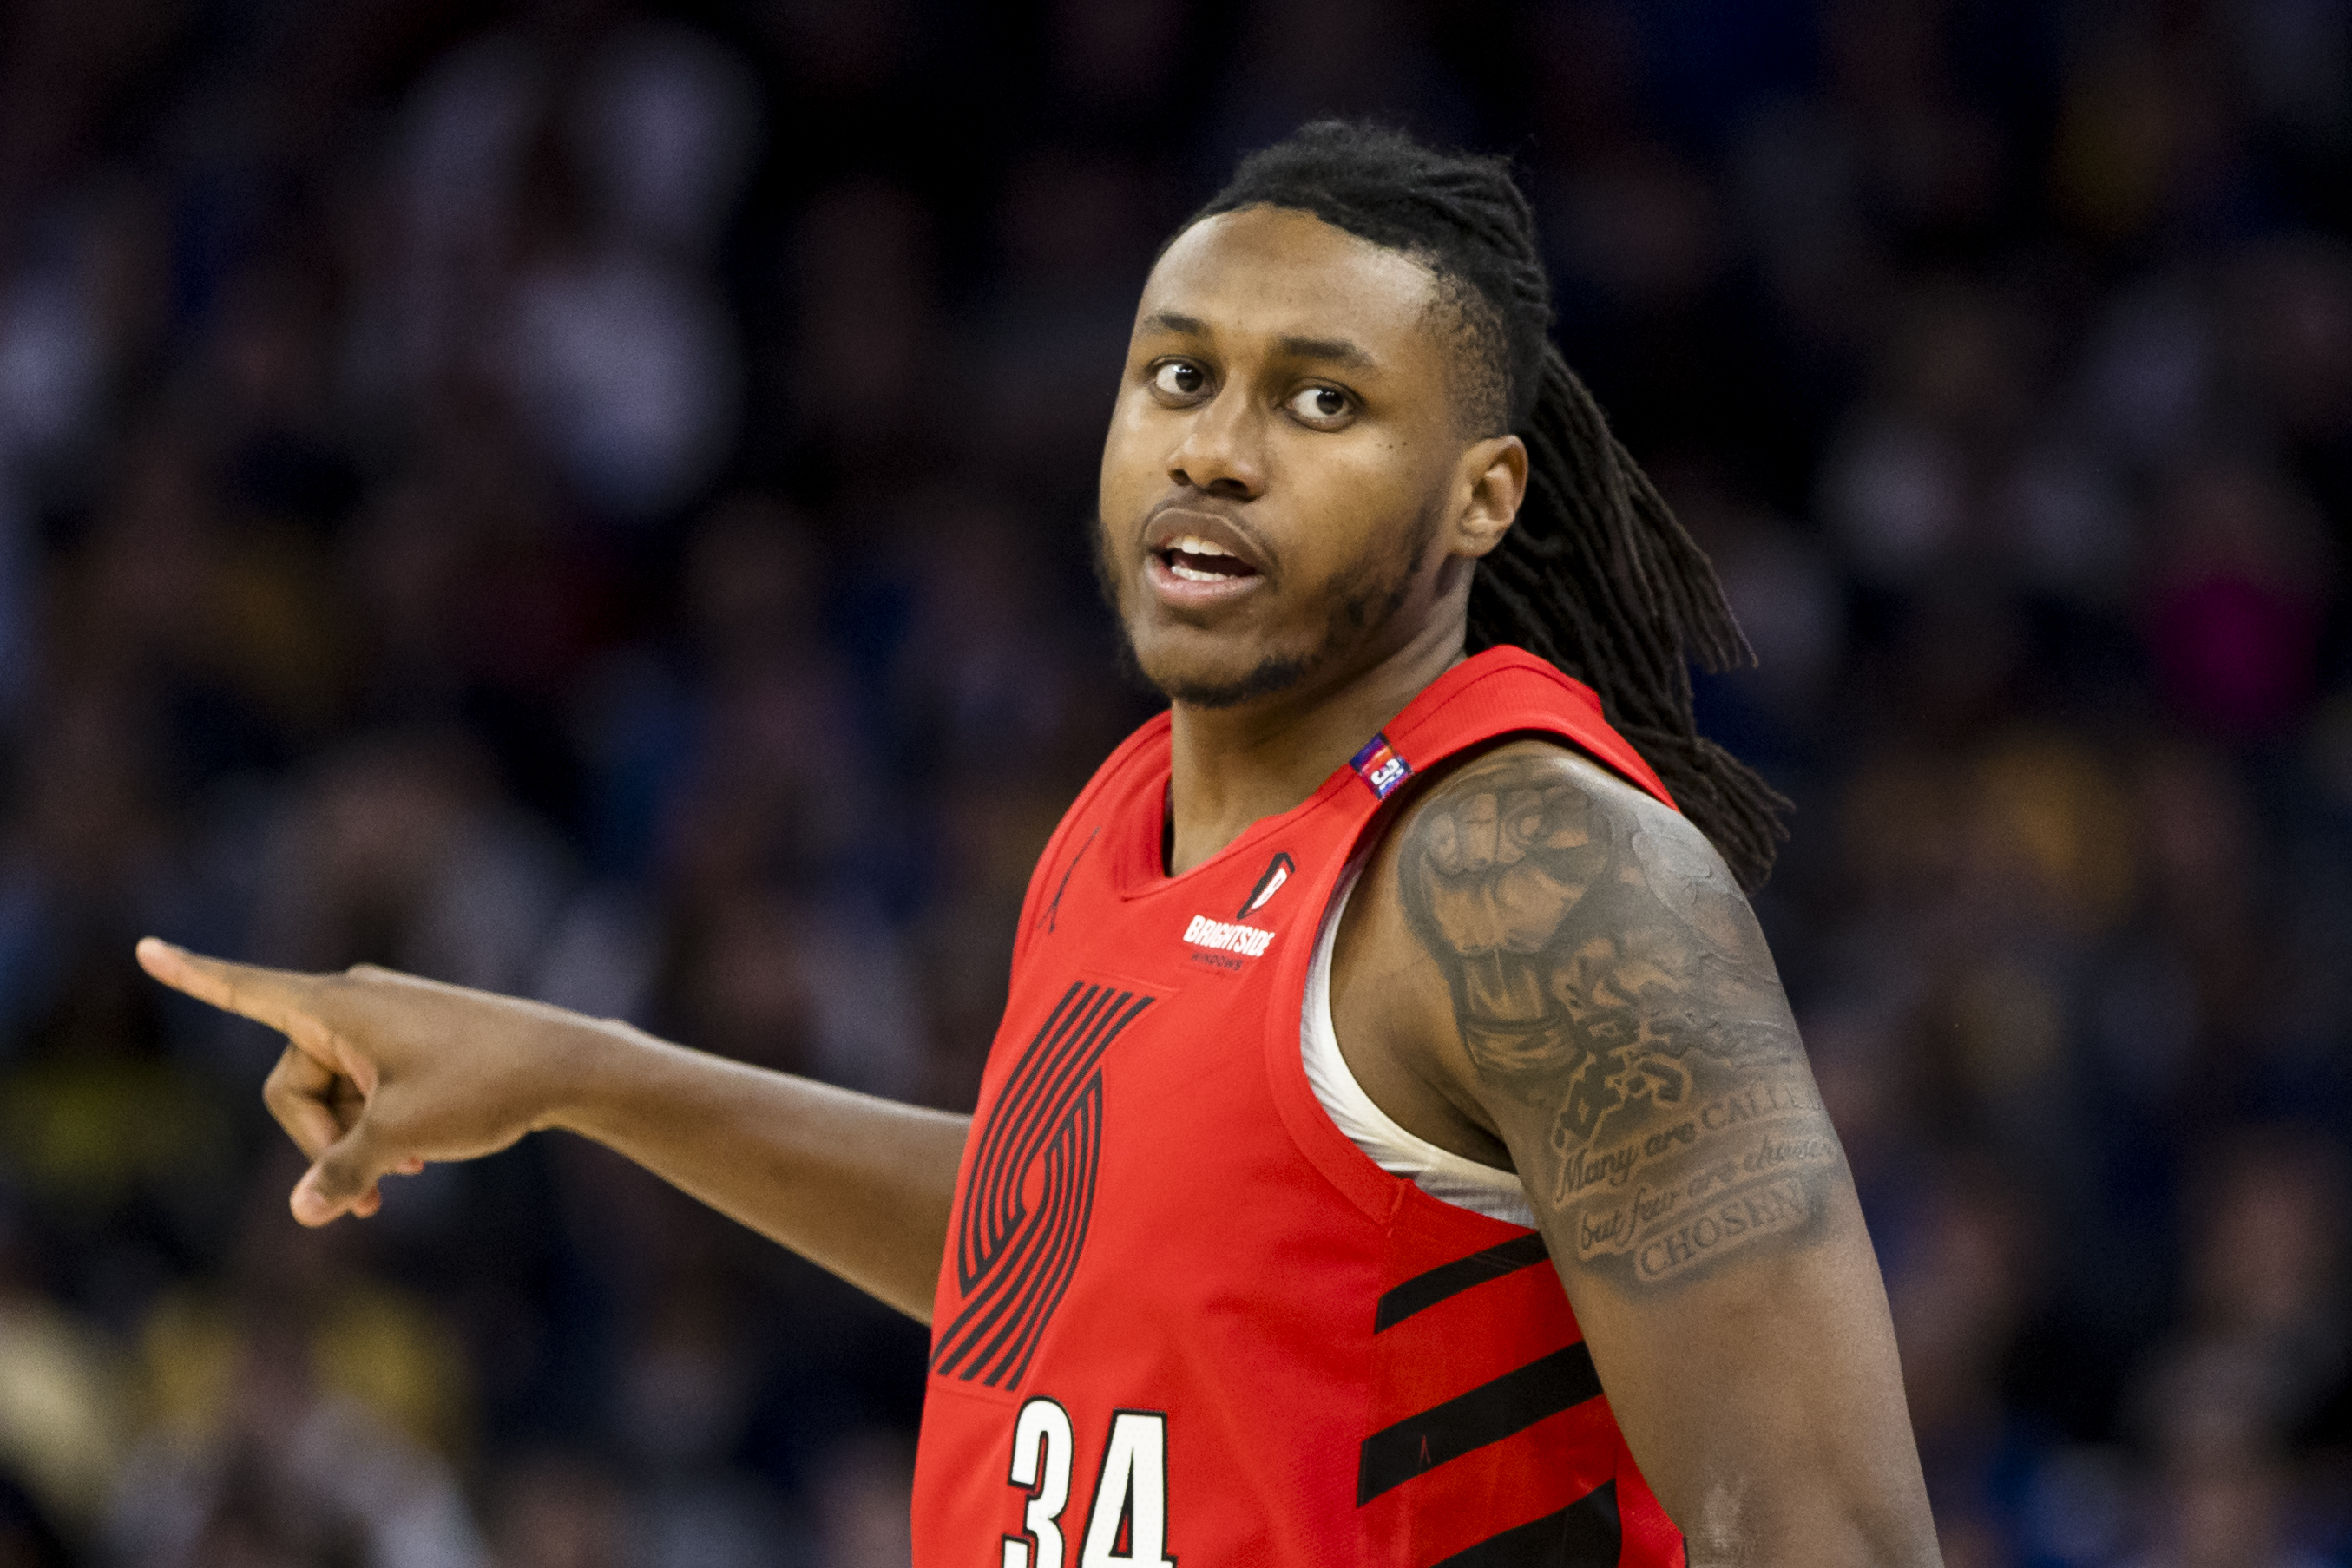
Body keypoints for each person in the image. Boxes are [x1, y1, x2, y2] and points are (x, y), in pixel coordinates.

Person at [140, 123, 1940, 1565]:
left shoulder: (1536, 884)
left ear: (1480, 493)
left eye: (1320, 401)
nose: (1217, 450)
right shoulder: (1116, 815)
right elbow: (1083, 1265)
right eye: (1177, 376)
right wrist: (580, 1070)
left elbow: (1824, 1530)